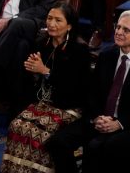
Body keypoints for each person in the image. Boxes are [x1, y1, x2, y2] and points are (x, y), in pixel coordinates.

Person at [0, 3, 91, 172]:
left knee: (38, 132)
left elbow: (75, 88)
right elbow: (31, 80)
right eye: (49, 18)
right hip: (43, 102)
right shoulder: (42, 43)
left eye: (58, 20)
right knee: (17, 125)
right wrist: (32, 71)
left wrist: (46, 72)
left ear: (69, 25)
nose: (51, 24)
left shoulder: (79, 50)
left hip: (68, 105)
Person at [46, 10, 130, 172]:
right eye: (117, 27)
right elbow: (93, 93)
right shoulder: (106, 56)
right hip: (100, 119)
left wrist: (119, 124)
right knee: (58, 143)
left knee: (98, 147)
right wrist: (96, 117)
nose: (119, 32)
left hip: (126, 124)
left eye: (126, 30)